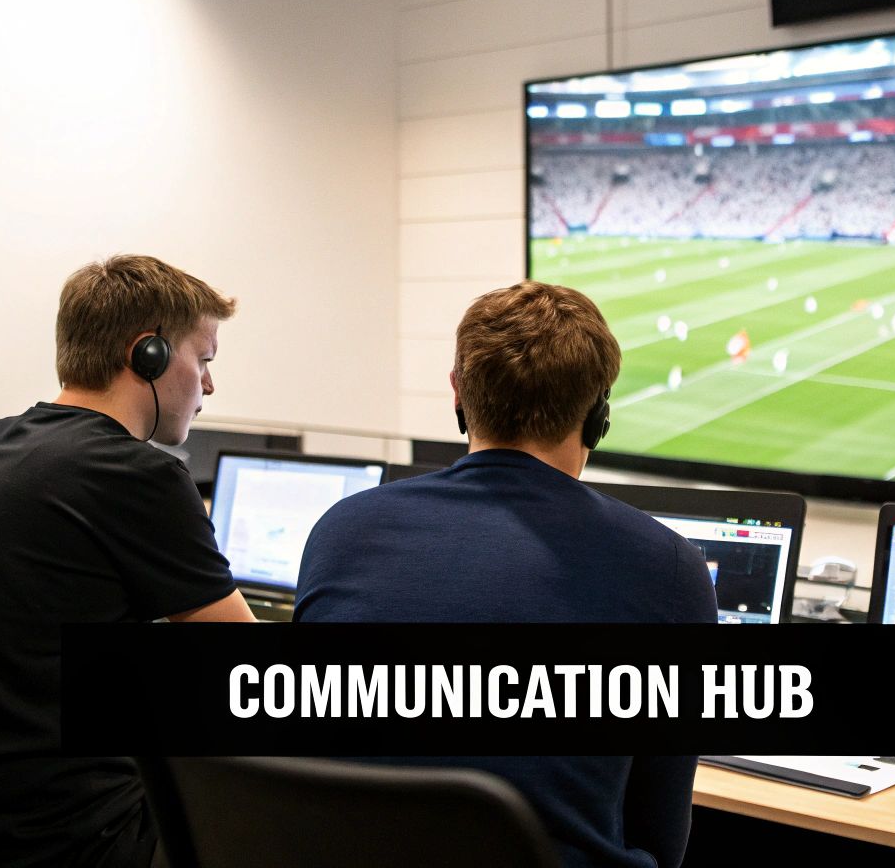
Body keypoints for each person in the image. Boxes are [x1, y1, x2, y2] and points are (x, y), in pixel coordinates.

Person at [295, 280, 717, 868]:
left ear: (458, 395)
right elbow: (660, 839)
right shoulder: (668, 566)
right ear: (598, 412)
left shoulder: (341, 529)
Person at [0, 255, 255, 868]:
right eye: (205, 358)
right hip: (72, 840)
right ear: (150, 356)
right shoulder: (139, 474)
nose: (209, 385)